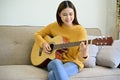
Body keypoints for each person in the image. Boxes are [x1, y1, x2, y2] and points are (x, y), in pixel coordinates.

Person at [34, 0, 89, 80]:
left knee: (52, 75)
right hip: (54, 61)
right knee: (56, 62)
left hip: (73, 62)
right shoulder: (54, 26)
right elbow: (37, 34)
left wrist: (84, 54)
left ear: (74, 14)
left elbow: (81, 58)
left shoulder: (81, 31)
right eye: (64, 14)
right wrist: (43, 44)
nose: (68, 17)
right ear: (59, 14)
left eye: (71, 14)